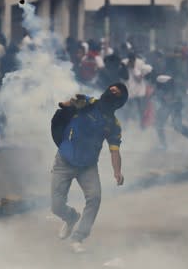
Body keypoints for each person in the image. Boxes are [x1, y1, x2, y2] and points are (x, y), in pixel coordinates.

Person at [50, 83, 128, 253]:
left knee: (95, 198)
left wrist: (117, 172)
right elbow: (71, 102)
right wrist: (68, 104)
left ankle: (78, 237)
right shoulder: (89, 102)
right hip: (64, 160)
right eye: (112, 89)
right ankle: (71, 217)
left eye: (117, 93)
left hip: (88, 166)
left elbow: (115, 150)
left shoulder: (114, 125)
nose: (113, 92)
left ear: (119, 102)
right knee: (56, 205)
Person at [154, 75, 188, 150]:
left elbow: (171, 91)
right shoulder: (160, 82)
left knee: (176, 125)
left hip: (174, 104)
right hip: (171, 104)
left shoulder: (161, 80)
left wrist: (171, 98)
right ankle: (163, 144)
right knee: (161, 124)